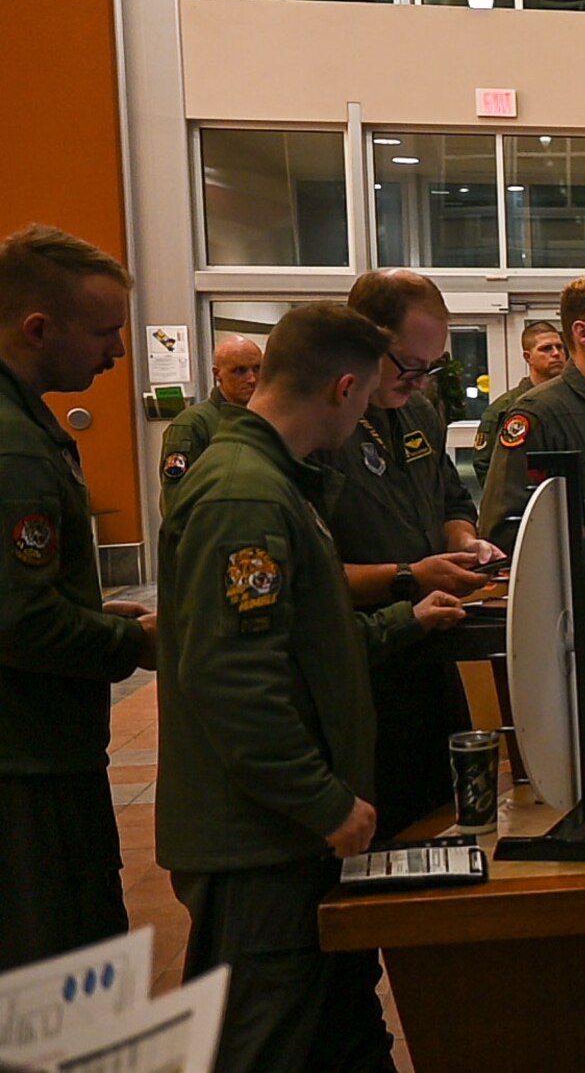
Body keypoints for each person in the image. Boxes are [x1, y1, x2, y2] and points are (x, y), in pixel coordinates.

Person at [156, 302, 463, 1072]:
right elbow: (235, 682)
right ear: (345, 387)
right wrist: (324, 800)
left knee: (337, 1021)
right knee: (267, 1033)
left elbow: (311, 644)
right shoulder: (246, 495)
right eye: (365, 401)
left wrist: (406, 622)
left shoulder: (279, 483)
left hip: (288, 826)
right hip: (261, 835)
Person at [0, 225, 156, 971]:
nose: (117, 353)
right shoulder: (14, 446)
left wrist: (97, 618)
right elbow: (20, 619)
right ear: (38, 328)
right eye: (104, 332)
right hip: (28, 765)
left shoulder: (24, 424)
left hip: (36, 749)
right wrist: (133, 642)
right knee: (62, 976)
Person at [317, 269, 504, 837]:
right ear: (366, 342)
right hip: (361, 660)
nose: (422, 383)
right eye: (411, 367)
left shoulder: (419, 409)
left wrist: (464, 543)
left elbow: (449, 494)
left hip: (430, 646)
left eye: (434, 368)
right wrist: (407, 576)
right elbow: (307, 575)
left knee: (438, 814)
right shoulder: (322, 425)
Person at [478, 274, 585, 547]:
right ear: (583, 334)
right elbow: (503, 528)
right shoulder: (539, 414)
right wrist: (583, 547)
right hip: (567, 584)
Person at [159, 333, 260, 510]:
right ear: (217, 374)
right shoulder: (192, 424)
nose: (252, 379)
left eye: (257, 369)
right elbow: (177, 502)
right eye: (239, 371)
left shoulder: (264, 420)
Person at [472, 320, 566, 487]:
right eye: (546, 348)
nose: (556, 353)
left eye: (560, 347)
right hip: (522, 502)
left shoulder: (572, 403)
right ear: (528, 357)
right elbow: (485, 466)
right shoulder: (504, 408)